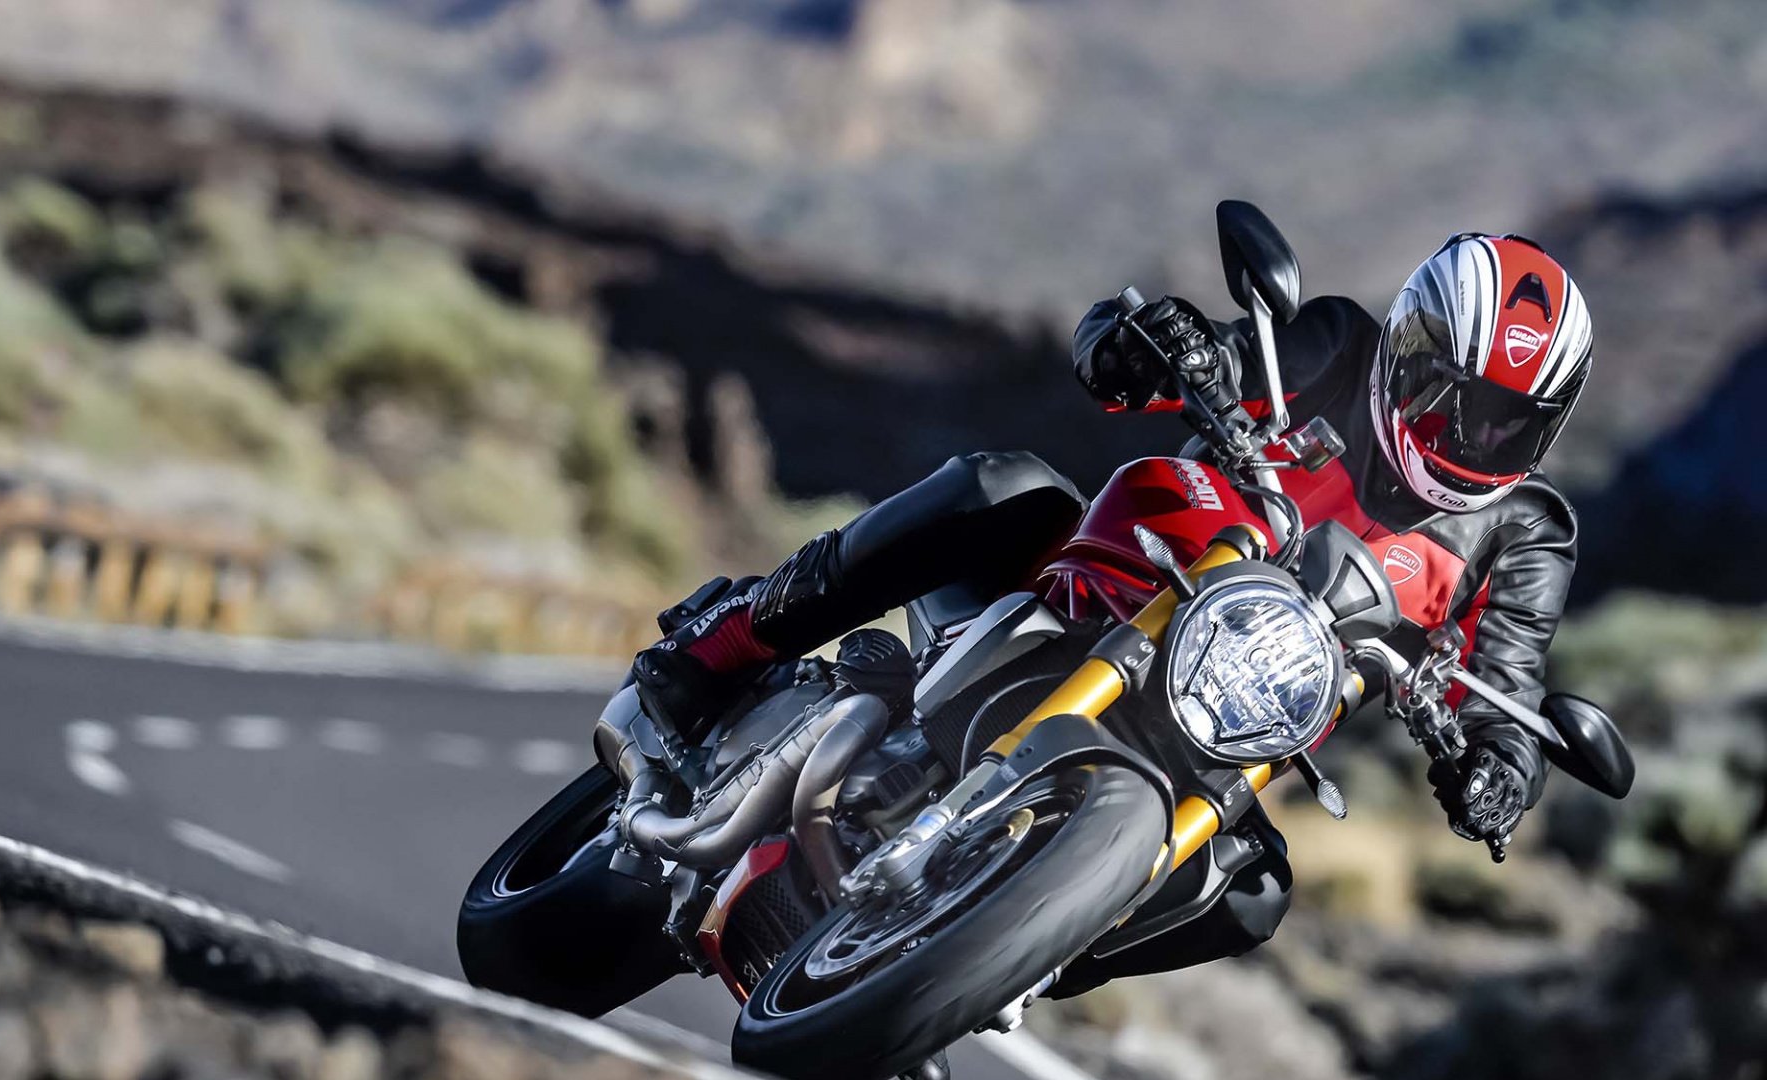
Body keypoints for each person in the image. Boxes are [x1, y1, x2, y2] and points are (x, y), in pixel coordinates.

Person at [631, 231, 1592, 973]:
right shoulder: (1337, 348)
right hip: (1121, 583)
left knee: (1250, 894)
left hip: (1236, 723)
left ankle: (978, 968)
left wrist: (1502, 768)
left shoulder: (1525, 535)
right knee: (1001, 487)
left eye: (1509, 421)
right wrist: (1148, 347)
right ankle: (728, 643)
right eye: (1451, 398)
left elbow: (1505, 680)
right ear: (1413, 349)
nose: (1467, 436)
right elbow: (1184, 358)